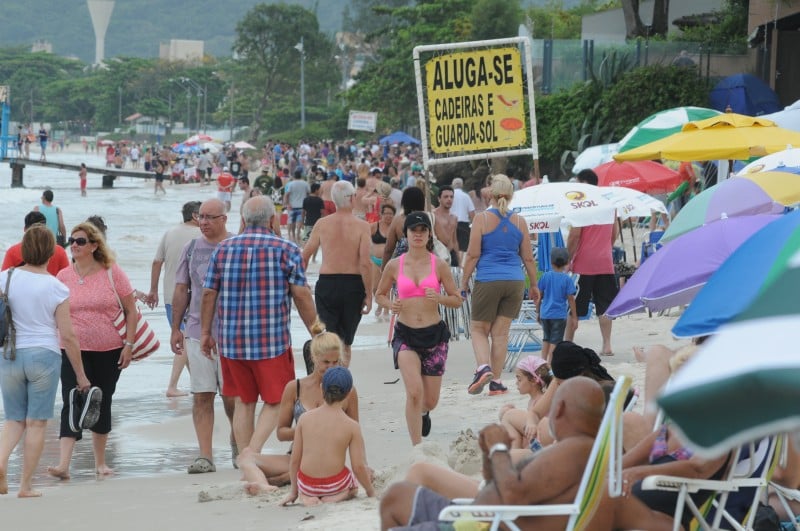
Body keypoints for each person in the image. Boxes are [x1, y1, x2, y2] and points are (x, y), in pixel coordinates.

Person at [379, 377, 676, 531]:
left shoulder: (575, 450)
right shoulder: (595, 467)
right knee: (399, 495)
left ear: (558, 409)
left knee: (394, 502)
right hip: (485, 513)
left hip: (484, 524)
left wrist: (498, 448)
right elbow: (654, 521)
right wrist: (491, 457)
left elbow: (512, 494)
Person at [200, 196, 317, 454]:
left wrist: (207, 332)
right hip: (270, 341)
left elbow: (209, 293)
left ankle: (246, 458)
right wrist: (317, 332)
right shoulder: (287, 250)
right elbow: (301, 295)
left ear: (242, 220)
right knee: (276, 400)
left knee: (244, 400)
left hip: (231, 342)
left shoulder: (223, 249)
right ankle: (252, 453)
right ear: (272, 220)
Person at [0, 226, 92, 497]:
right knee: (37, 423)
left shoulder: (5, 278)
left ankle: (0, 461)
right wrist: (81, 375)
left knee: (14, 420)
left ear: (23, 248)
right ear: (52, 252)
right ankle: (26, 486)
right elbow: (68, 335)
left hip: (9, 354)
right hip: (44, 355)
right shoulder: (56, 286)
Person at [48, 222, 138, 478]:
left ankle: (100, 463)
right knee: (71, 400)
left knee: (102, 401)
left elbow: (131, 310)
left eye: (80, 241)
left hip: (110, 349)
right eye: (72, 241)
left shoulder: (112, 272)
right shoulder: (63, 276)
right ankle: (64, 465)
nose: (74, 245)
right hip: (71, 348)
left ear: (94, 245)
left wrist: (129, 345)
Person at [237, 321, 360, 493]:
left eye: (335, 362)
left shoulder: (348, 390)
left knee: (252, 474)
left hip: (328, 459)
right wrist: (306, 428)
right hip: (296, 456)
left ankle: (281, 479)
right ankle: (266, 486)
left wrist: (361, 466)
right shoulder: (295, 387)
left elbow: (355, 434)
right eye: (326, 362)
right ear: (314, 358)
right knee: (245, 457)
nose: (331, 367)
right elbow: (281, 433)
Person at [375, 212, 463, 445]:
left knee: (430, 400)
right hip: (405, 334)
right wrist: (389, 304)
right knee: (414, 392)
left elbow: (457, 299)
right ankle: (417, 448)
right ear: (406, 233)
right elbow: (380, 294)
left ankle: (424, 413)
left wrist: (440, 298)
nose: (418, 234)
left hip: (434, 335)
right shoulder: (395, 265)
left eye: (423, 230)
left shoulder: (440, 265)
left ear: (428, 234)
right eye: (414, 230)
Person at [171, 199, 236, 474]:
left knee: (234, 397)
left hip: (233, 333)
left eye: (210, 217)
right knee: (202, 394)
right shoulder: (191, 248)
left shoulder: (236, 246)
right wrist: (176, 327)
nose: (204, 222)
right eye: (201, 217)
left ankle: (239, 446)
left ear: (224, 219)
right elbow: (181, 289)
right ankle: (205, 455)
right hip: (196, 331)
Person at [460, 174, 540, 396]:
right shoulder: (520, 222)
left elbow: (473, 255)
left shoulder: (481, 219)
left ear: (490, 194)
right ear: (512, 195)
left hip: (489, 279)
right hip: (514, 282)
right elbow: (528, 258)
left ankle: (483, 367)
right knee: (501, 334)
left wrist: (463, 282)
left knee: (478, 329)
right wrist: (533, 285)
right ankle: (496, 382)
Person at [280, 366, 375, 506]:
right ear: (348, 393)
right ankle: (334, 497)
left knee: (306, 483)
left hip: (307, 485)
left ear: (321, 388)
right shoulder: (352, 426)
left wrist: (294, 492)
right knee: (353, 486)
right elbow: (358, 467)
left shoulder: (304, 419)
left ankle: (306, 496)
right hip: (335, 485)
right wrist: (370, 491)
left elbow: (295, 461)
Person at [302, 181, 372, 368]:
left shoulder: (322, 224)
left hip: (327, 283)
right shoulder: (362, 226)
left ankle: (328, 378)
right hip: (353, 285)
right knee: (346, 341)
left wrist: (302, 282)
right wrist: (369, 295)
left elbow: (305, 255)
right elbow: (365, 263)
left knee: (328, 338)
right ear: (352, 198)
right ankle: (341, 381)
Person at [147, 201, 201, 398]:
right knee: (186, 339)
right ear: (195, 215)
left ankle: (197, 383)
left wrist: (153, 290)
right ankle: (173, 385)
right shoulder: (202, 235)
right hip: (193, 296)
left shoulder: (169, 233)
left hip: (170, 295)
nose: (205, 220)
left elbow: (156, 262)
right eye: (203, 215)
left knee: (181, 337)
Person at [565, 169, 619, 356]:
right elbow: (614, 233)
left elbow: (574, 235)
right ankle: (607, 345)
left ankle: (567, 343)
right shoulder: (609, 203)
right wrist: (604, 248)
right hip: (605, 262)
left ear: (585, 183)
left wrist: (568, 258)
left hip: (583, 263)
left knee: (574, 307)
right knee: (604, 305)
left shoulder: (582, 204)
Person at [498, 356, 553, 449]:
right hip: (539, 437)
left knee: (507, 414)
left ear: (534, 380)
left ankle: (514, 451)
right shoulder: (534, 400)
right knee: (505, 412)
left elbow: (536, 430)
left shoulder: (540, 401)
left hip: (541, 441)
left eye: (519, 379)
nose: (516, 383)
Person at [536, 247, 578, 363]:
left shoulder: (545, 276)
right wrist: (574, 316)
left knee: (546, 338)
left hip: (545, 313)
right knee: (555, 341)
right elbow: (571, 299)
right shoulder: (567, 279)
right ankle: (550, 364)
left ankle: (542, 362)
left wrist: (538, 311)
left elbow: (539, 296)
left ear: (551, 262)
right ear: (566, 262)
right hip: (559, 315)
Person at [2, 211, 70, 276]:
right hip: (52, 287)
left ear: (25, 229)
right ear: (45, 228)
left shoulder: (13, 251)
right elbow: (67, 278)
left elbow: (4, 281)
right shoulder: (59, 251)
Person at [381, 187, 426, 266]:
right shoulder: (428, 218)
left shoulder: (398, 220)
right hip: (425, 265)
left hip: (403, 267)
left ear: (404, 202)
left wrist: (383, 270)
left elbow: (388, 249)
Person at [370, 204, 396, 318]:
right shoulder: (374, 226)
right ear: (381, 214)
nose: (388, 216)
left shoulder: (395, 227)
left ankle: (386, 311)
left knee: (388, 286)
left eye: (391, 214)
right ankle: (380, 304)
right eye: (386, 213)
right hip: (375, 260)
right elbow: (363, 239)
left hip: (390, 261)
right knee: (375, 287)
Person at [432, 185, 459, 266]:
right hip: (438, 253)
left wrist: (459, 261)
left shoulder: (454, 217)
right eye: (446, 197)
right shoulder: (433, 215)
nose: (449, 199)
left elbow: (455, 240)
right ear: (439, 199)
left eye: (451, 197)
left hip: (451, 253)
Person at [451, 177, 475, 265]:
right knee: (463, 247)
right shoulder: (466, 196)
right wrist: (473, 225)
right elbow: (472, 212)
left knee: (453, 245)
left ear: (453, 185)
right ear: (462, 185)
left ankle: (456, 263)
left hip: (451, 223)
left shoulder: (450, 196)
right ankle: (461, 264)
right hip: (464, 224)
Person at [283, 169, 310, 243]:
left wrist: (287, 204)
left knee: (292, 222)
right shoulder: (305, 183)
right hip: (302, 206)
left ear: (294, 176)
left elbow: (286, 195)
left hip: (292, 206)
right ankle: (298, 234)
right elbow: (308, 194)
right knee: (299, 221)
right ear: (300, 176)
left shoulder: (291, 184)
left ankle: (293, 235)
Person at [301, 182, 325, 246]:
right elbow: (322, 213)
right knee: (316, 241)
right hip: (317, 223)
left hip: (308, 222)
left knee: (306, 240)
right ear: (316, 190)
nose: (320, 191)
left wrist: (302, 222)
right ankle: (314, 256)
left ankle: (305, 255)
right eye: (319, 190)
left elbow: (303, 212)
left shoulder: (306, 199)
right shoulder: (320, 200)